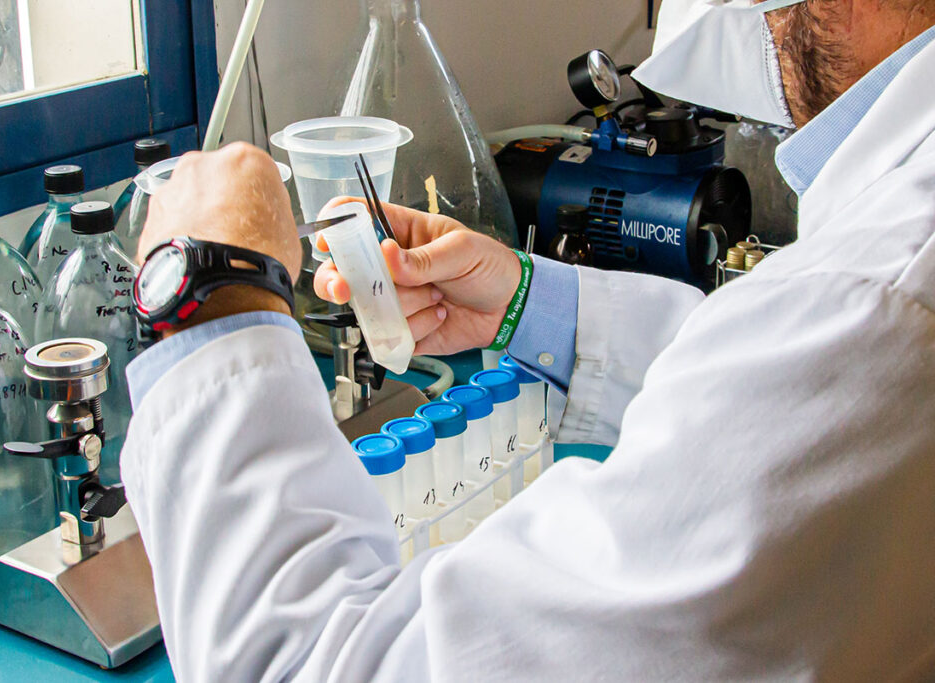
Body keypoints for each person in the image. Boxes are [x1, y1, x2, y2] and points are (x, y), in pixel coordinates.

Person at [121, 0, 935, 680]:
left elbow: (312, 662)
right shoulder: (875, 286)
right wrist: (524, 302)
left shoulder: (875, 308)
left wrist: (208, 290)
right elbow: (773, 374)